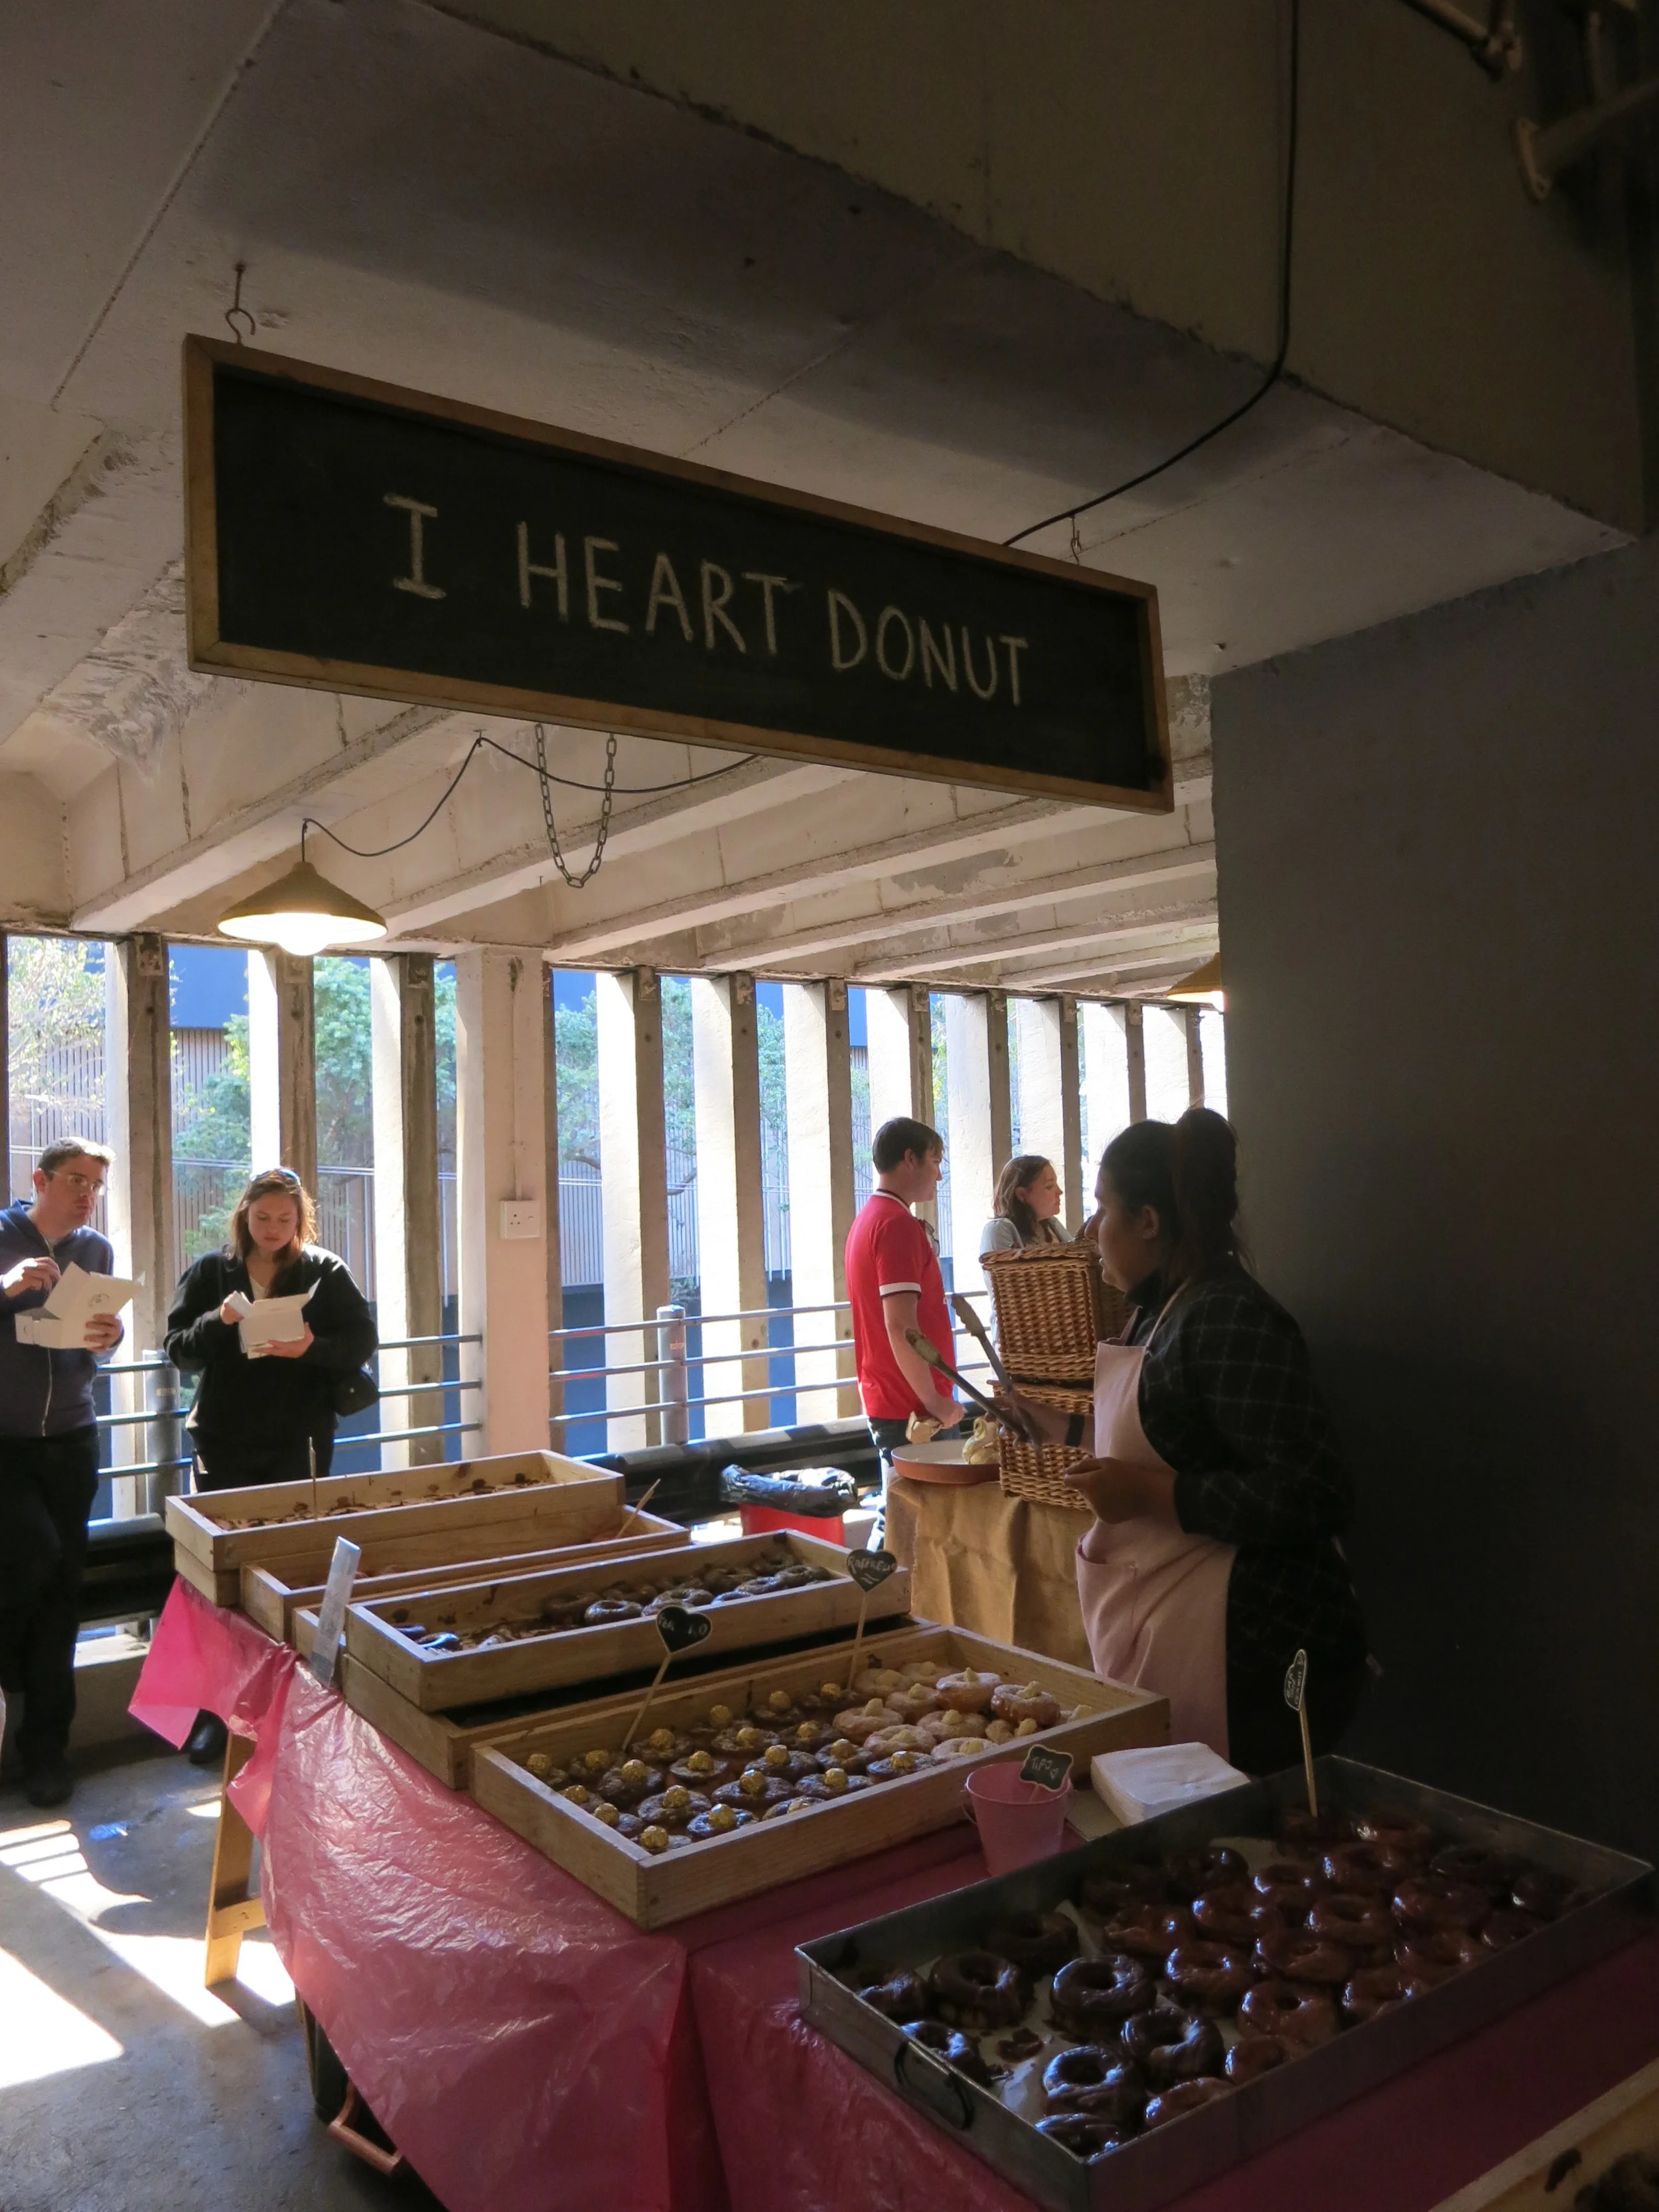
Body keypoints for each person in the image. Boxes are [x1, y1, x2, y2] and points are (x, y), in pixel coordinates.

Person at [1004, 1109, 1366, 1774]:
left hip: (1252, 1649)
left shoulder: (1227, 1315)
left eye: (1102, 1208)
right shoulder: (1157, 1310)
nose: (1092, 1230)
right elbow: (1174, 1436)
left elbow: (1314, 1492)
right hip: (1180, 1630)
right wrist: (1057, 1426)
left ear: (1148, 1221)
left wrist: (1149, 1496)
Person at [165, 1166, 376, 1765]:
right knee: (222, 1577)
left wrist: (312, 1348)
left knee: (290, 1570)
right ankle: (216, 1714)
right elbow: (178, 1349)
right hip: (224, 1440)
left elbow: (362, 1339)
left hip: (299, 1440)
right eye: (263, 1217)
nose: (274, 1228)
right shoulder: (212, 1271)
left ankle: (284, 1705)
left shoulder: (324, 1271)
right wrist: (220, 1321)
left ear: (300, 1219)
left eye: (286, 1218)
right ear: (245, 1216)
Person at [0, 1140, 125, 1807]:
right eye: (76, 1180)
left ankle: (47, 1750)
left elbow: (100, 1336)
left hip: (73, 1438)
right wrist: (7, 1287)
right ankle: (11, 1667)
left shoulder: (96, 1250)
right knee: (34, 1556)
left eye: (96, 1185)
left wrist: (112, 1337)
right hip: (6, 1443)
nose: (87, 1195)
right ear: (40, 1179)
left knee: (62, 1591)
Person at [843, 1118, 960, 1487]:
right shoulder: (897, 1225)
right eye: (935, 1161)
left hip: (891, 1398)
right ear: (910, 1159)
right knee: (932, 1513)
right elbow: (901, 1325)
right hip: (914, 1407)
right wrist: (933, 1399)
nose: (939, 1175)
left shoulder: (869, 1219)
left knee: (902, 1508)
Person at [980, 1153, 1071, 1257]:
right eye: (1049, 1186)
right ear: (1022, 1195)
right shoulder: (999, 1230)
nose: (1060, 1192)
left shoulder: (1052, 1225)